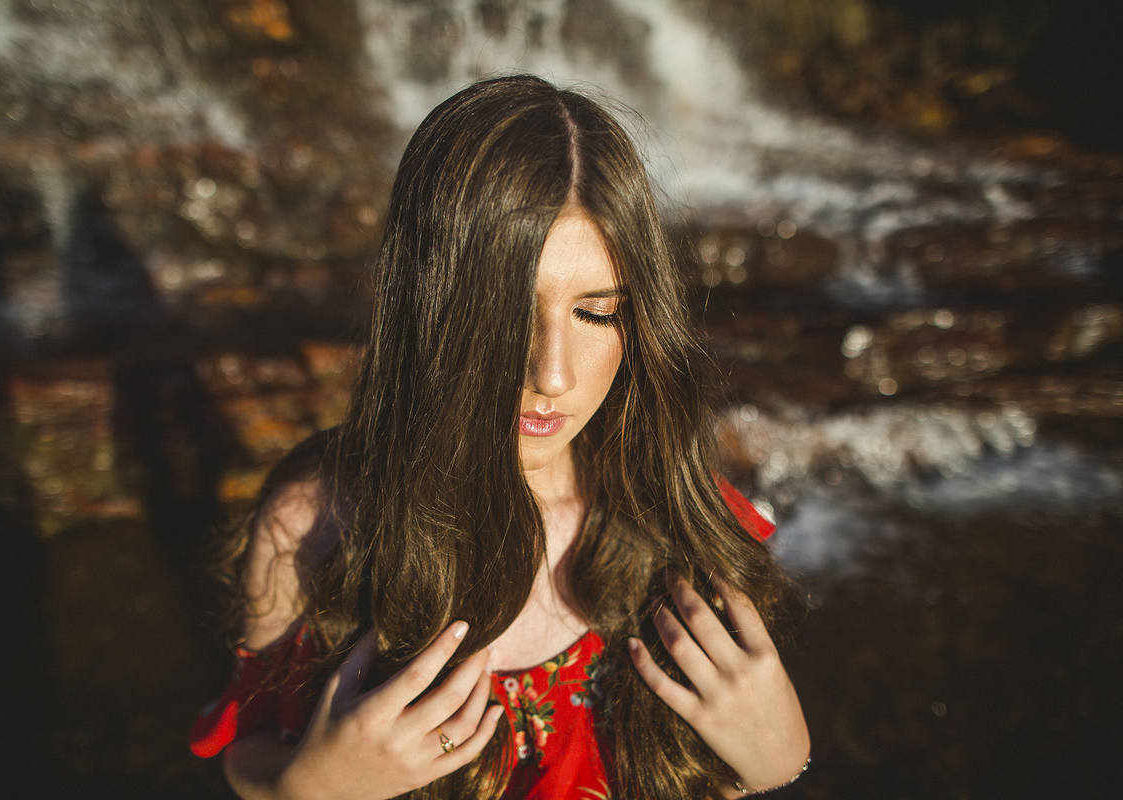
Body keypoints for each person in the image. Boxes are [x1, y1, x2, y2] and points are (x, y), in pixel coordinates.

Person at [190, 74, 810, 799]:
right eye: (509, 310)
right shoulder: (315, 523)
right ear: (431, 303)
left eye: (596, 313)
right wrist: (305, 787)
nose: (551, 374)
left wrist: (777, 764)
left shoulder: (680, 519)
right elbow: (250, 746)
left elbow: (693, 775)